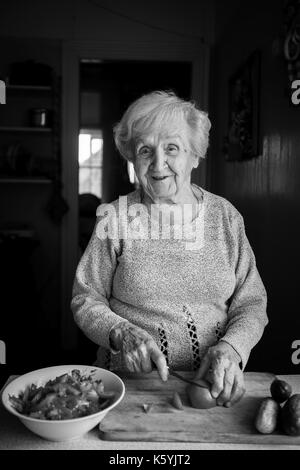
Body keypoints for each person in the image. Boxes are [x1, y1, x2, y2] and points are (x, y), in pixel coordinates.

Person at [71, 90, 268, 408]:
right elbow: (85, 298)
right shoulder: (116, 217)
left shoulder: (225, 217)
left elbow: (252, 304)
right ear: (133, 159)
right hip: (126, 389)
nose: (158, 163)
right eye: (145, 150)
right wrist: (121, 332)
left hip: (213, 386)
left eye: (172, 148)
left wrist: (232, 348)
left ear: (195, 154)